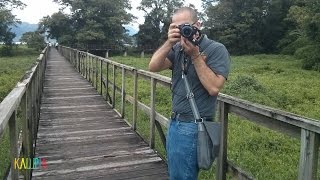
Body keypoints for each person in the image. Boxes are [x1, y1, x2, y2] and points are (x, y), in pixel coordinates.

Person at [148, 7, 230, 180]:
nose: (182, 31)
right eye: (176, 28)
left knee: (181, 177)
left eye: (186, 26)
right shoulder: (177, 48)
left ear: (198, 24)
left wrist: (195, 55)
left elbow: (214, 87)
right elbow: (153, 67)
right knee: (177, 174)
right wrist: (169, 42)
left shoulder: (216, 49)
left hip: (193, 126)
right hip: (175, 122)